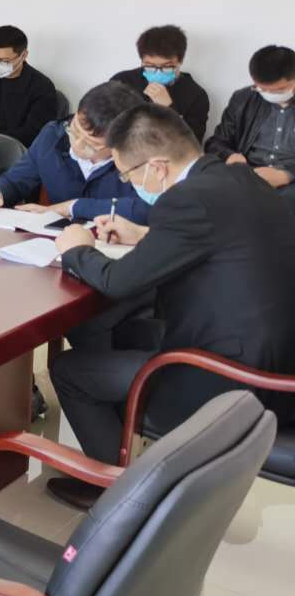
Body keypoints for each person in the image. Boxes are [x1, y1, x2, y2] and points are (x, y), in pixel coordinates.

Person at [48, 103, 295, 508]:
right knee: (119, 332)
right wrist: (145, 235)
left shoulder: (185, 200)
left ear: (157, 167)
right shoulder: (238, 178)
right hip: (279, 363)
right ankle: (136, 458)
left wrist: (78, 249)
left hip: (232, 380)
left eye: (128, 175)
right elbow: (224, 243)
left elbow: (118, 282)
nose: (131, 185)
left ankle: (116, 494)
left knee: (69, 371)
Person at [0, 81, 150, 224]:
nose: (77, 145)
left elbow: (146, 210)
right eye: (75, 131)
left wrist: (71, 207)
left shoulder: (143, 160)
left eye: (91, 144)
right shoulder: (53, 136)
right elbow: (16, 181)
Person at [205, 44, 295, 210]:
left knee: (281, 206)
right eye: (263, 89)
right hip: (248, 173)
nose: (270, 95)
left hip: (290, 181)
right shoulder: (243, 98)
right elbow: (215, 143)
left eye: (279, 90)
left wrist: (287, 175)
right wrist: (230, 156)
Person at [110, 24, 209, 141]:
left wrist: (169, 109)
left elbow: (193, 143)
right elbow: (104, 124)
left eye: (166, 67)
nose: (158, 72)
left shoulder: (196, 95)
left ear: (180, 61)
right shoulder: (122, 82)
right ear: (142, 61)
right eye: (150, 66)